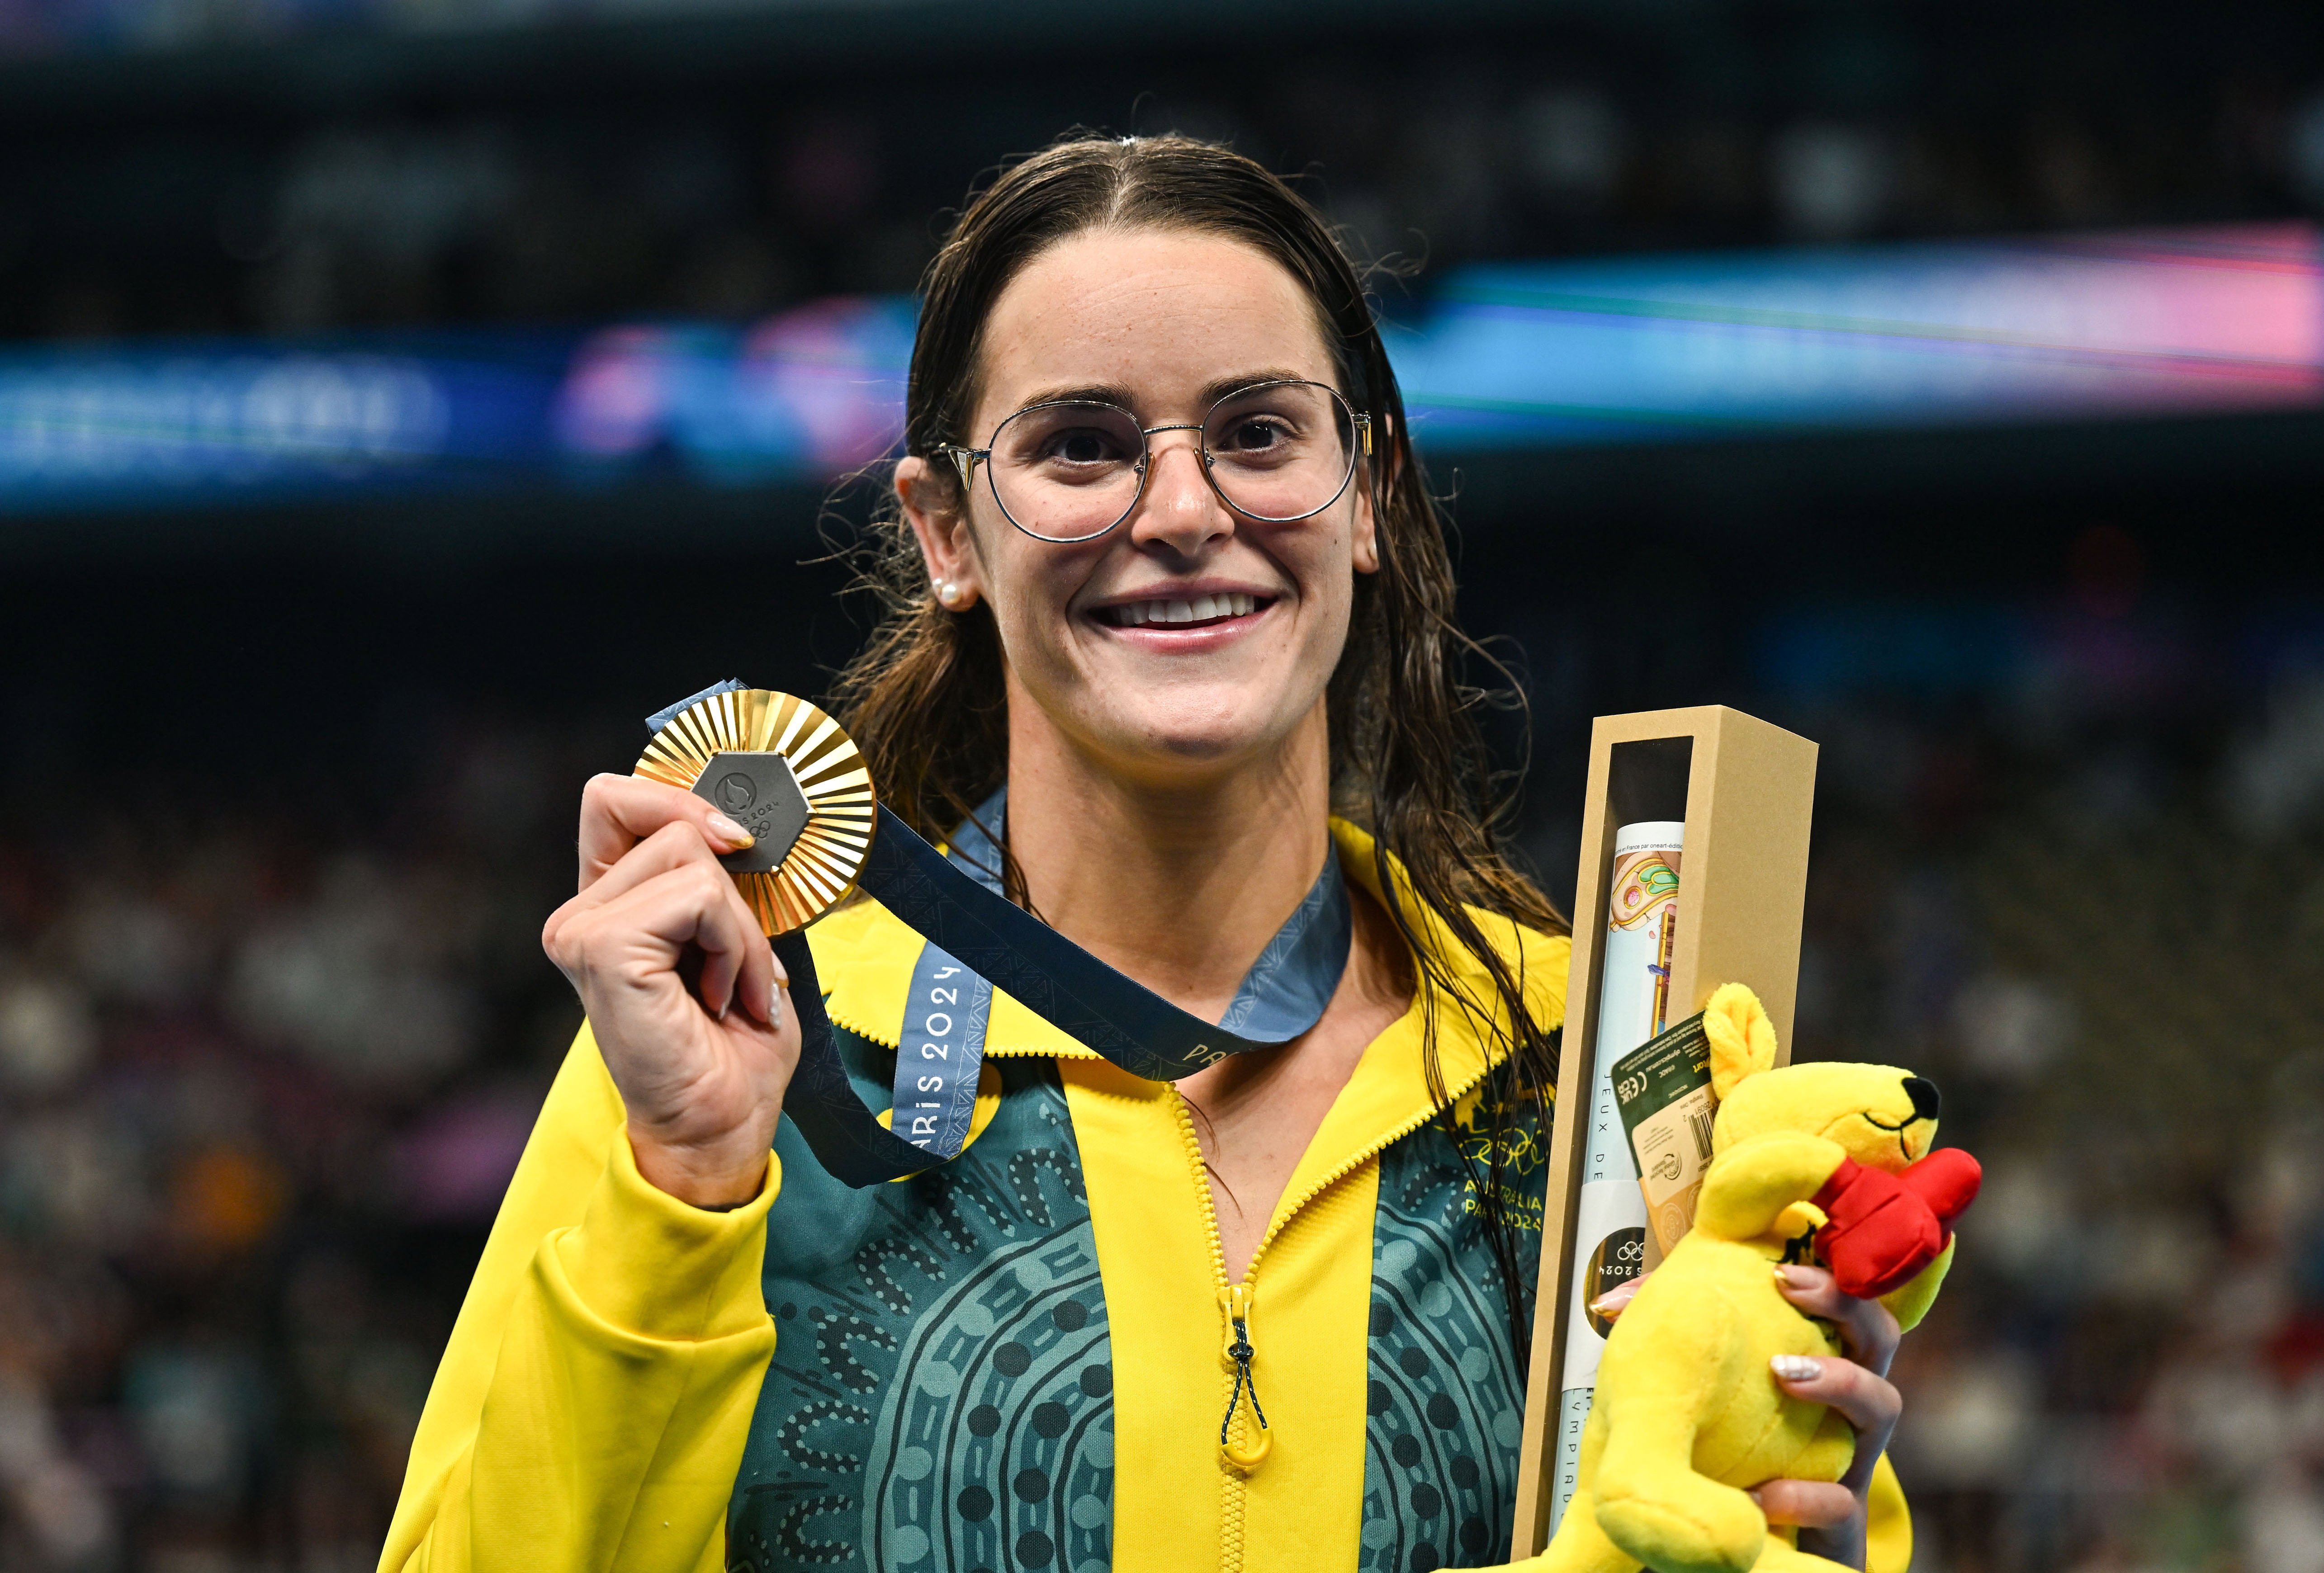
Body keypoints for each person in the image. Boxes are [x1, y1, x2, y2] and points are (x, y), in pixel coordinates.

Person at [378, 133, 1906, 1573]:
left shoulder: (1593, 1068)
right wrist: (686, 1192)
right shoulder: (752, 1046)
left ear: (1364, 491)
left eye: (1255, 432)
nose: (1180, 512)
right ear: (945, 534)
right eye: (1079, 448)